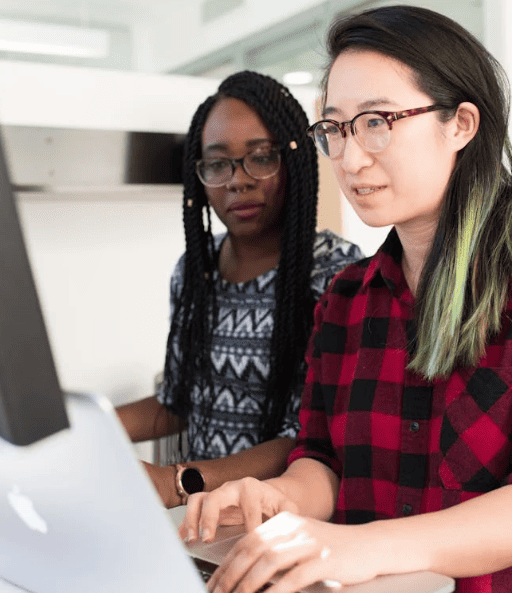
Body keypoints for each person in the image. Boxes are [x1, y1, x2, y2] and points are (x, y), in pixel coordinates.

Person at [180, 6, 512, 593]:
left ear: (461, 123)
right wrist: (277, 496)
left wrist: (357, 546)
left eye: (377, 122)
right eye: (335, 128)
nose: (350, 157)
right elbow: (324, 461)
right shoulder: (346, 295)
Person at [116, 71, 363, 509]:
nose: (238, 180)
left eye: (261, 157)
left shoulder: (334, 275)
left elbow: (309, 438)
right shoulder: (195, 271)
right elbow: (177, 401)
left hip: (283, 522)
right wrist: (85, 428)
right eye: (217, 163)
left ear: (294, 161)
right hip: (201, 522)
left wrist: (177, 482)